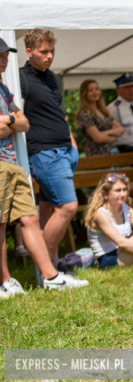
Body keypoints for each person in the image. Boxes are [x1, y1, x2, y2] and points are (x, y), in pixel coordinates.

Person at [0, 40, 88, 296]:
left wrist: (10, 119)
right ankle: (4, 281)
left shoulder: (4, 88)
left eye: (6, 55)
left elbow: (24, 123)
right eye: (1, 55)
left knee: (30, 218)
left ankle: (50, 276)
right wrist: (12, 120)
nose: (5, 60)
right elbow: (13, 122)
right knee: (2, 224)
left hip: (13, 161)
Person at [20, 29, 80, 265]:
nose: (49, 56)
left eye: (52, 51)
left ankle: (53, 269)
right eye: (43, 51)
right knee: (68, 207)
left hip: (65, 151)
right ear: (29, 51)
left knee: (47, 209)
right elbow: (19, 115)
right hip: (45, 153)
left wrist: (72, 146)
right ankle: (45, 268)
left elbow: (59, 115)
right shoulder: (21, 77)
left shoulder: (52, 77)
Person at [77, 79, 124, 156]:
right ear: (84, 94)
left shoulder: (104, 111)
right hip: (98, 155)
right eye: (90, 90)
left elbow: (121, 130)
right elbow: (98, 138)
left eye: (97, 89)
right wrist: (113, 135)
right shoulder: (84, 114)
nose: (95, 92)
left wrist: (104, 134)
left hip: (113, 153)